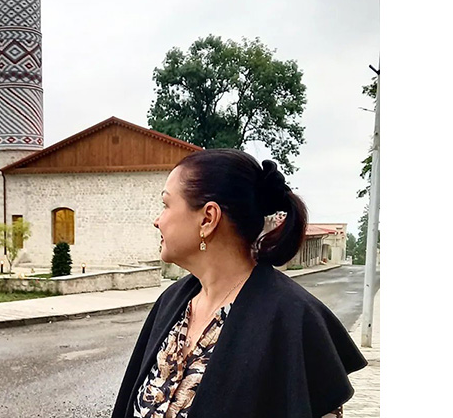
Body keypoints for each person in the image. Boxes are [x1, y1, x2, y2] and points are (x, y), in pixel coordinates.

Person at [111, 149, 367, 418]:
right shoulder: (172, 302)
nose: (157, 220)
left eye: (166, 205)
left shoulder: (295, 319)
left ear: (208, 218)